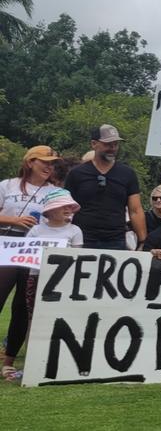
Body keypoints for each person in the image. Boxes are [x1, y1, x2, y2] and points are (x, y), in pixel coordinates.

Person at [0, 145, 60, 381]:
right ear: (29, 162)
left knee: (23, 307)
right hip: (7, 243)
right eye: (44, 161)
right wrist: (14, 220)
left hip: (37, 249)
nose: (49, 166)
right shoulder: (8, 185)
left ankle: (9, 362)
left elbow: (66, 217)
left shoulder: (55, 191)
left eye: (51, 162)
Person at [65, 124, 146, 249]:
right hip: (82, 238)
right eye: (108, 144)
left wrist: (142, 241)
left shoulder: (127, 173)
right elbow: (66, 208)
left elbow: (135, 210)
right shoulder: (77, 173)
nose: (112, 148)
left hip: (116, 239)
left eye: (115, 144)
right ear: (94, 144)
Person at [25, 188, 83, 319]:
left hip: (64, 278)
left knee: (59, 315)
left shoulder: (75, 230)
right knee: (33, 315)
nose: (67, 209)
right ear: (50, 210)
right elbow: (26, 252)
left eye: (69, 206)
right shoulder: (36, 230)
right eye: (62, 206)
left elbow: (77, 257)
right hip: (36, 276)